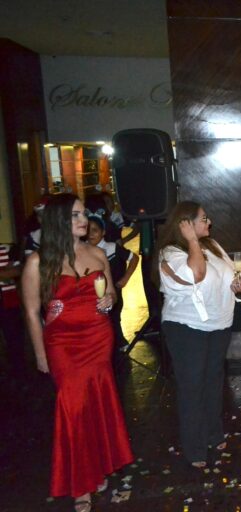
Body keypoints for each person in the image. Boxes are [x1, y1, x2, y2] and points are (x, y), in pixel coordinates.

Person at [20, 194, 134, 512]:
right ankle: (81, 483)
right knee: (73, 408)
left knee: (97, 405)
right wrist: (41, 355)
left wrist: (109, 300)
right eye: (75, 215)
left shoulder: (97, 253)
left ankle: (98, 470)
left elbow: (110, 291)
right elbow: (31, 313)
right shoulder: (38, 261)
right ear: (59, 220)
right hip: (63, 346)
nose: (84, 220)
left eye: (83, 214)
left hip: (98, 339)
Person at [155, 201, 241, 468]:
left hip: (218, 325)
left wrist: (237, 285)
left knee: (213, 382)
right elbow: (196, 274)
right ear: (185, 225)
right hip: (187, 328)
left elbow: (229, 274)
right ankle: (194, 447)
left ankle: (213, 433)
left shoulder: (213, 246)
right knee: (192, 386)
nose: (209, 223)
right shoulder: (170, 253)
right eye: (203, 219)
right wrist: (192, 241)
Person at [86, 215, 139, 348]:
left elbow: (134, 258)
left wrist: (125, 279)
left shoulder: (112, 248)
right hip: (93, 293)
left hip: (113, 290)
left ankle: (119, 343)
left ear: (103, 232)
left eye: (95, 230)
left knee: (114, 317)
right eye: (88, 230)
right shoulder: (83, 250)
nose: (91, 234)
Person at [0, 242, 26, 377]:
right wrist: (6, 273)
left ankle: (19, 372)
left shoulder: (5, 249)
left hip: (9, 300)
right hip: (7, 296)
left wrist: (9, 272)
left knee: (14, 338)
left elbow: (19, 270)